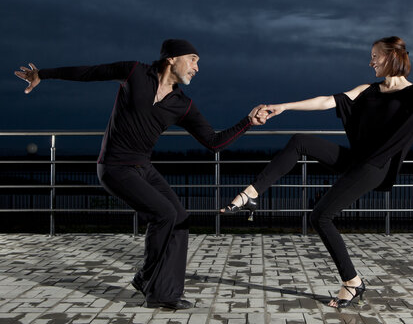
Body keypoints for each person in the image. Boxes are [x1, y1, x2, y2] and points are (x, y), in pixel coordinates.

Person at [220, 36, 413, 308]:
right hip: (356, 158)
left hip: (374, 167)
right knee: (300, 141)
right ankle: (251, 194)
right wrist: (284, 106)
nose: (371, 63)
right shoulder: (367, 90)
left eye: (375, 57)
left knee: (321, 216)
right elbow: (326, 101)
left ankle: (352, 282)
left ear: (391, 58)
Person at [14, 39, 267, 310]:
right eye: (193, 59)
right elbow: (88, 73)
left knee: (180, 218)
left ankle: (152, 282)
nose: (196, 67)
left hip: (142, 167)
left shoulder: (182, 105)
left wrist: (247, 122)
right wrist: (43, 74)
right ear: (171, 58)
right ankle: (157, 291)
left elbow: (213, 142)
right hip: (113, 167)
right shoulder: (135, 72)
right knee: (165, 215)